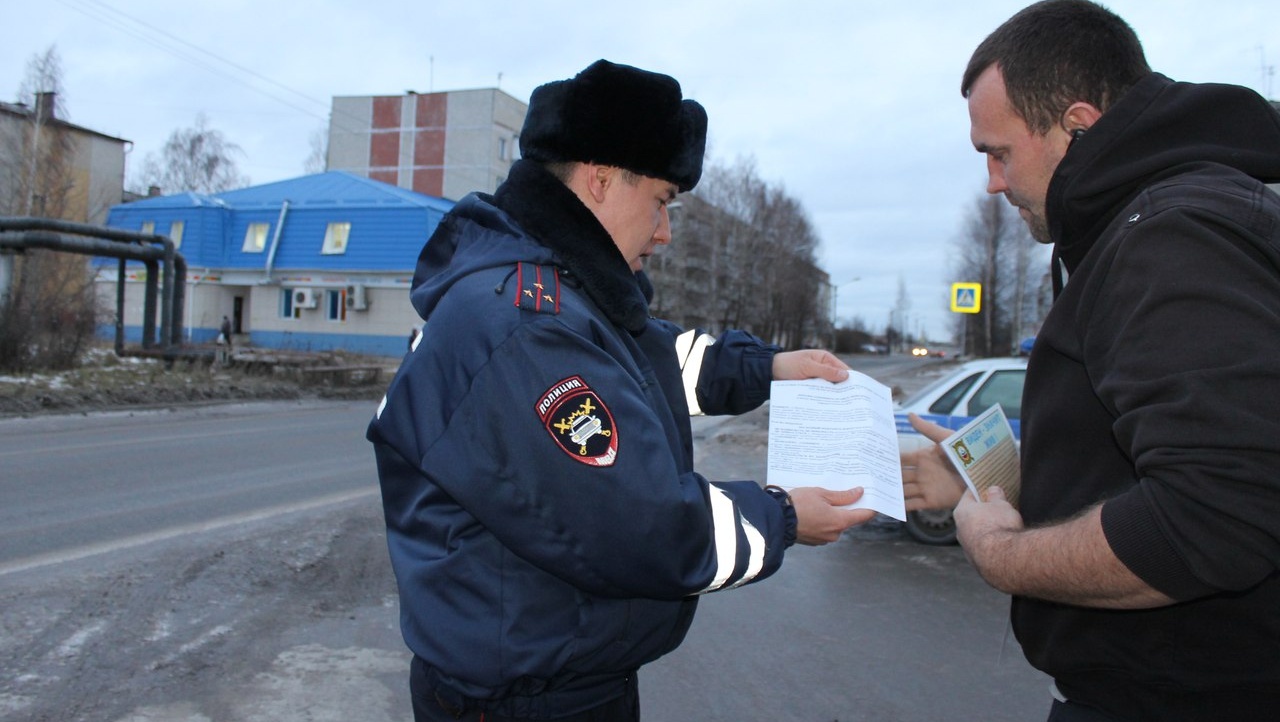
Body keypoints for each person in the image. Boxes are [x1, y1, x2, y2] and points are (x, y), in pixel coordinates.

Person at [367, 59, 875, 722]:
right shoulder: (525, 326)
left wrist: (772, 367)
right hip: (526, 702)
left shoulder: (559, 296)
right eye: (662, 202)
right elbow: (645, 526)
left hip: (557, 683)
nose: (664, 233)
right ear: (601, 180)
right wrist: (784, 517)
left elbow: (653, 364)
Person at [904, 1, 1280, 719]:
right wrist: (998, 481)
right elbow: (1141, 461)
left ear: (1077, 126)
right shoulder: (1147, 221)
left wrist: (999, 550)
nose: (991, 182)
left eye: (998, 152)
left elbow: (1216, 517)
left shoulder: (1173, 235)